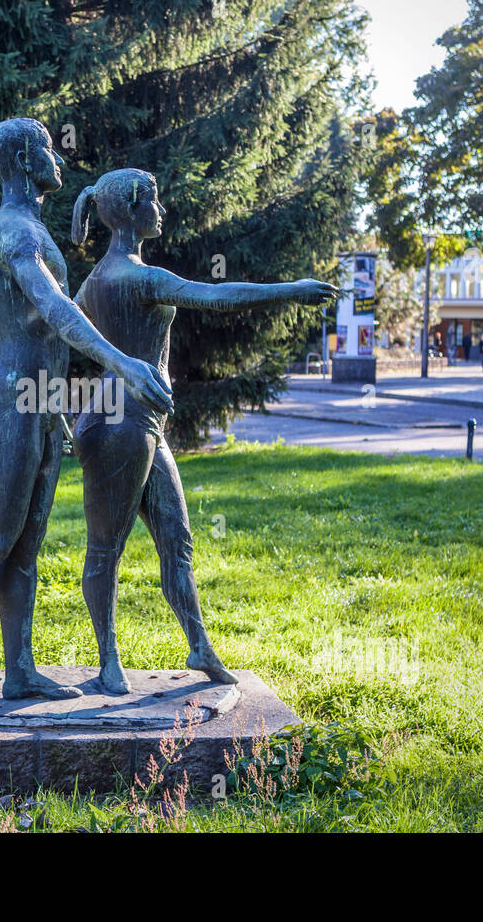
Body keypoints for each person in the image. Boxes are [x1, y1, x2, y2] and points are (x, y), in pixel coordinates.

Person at [0, 121, 173, 714]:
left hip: (41, 404)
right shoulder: (15, 234)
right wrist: (123, 363)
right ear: (26, 159)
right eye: (48, 149)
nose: (58, 158)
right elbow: (55, 309)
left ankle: (19, 670)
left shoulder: (20, 232)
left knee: (24, 550)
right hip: (21, 400)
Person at [69, 168, 337, 694]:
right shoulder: (132, 277)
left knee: (177, 539)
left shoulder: (96, 281)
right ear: (129, 210)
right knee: (106, 547)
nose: (161, 209)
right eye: (154, 199)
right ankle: (108, 663)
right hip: (120, 422)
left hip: (139, 421)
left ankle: (199, 645)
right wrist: (291, 289)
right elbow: (215, 296)